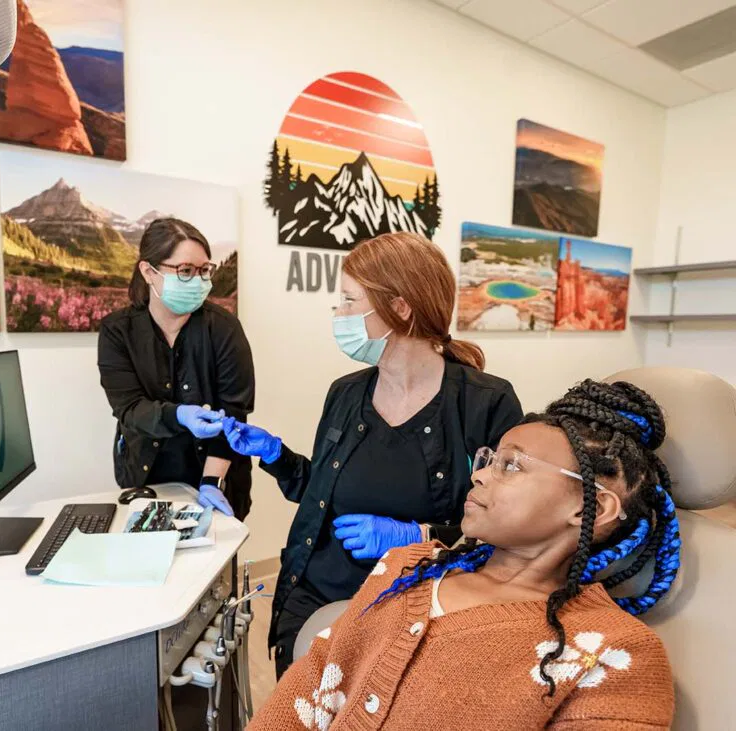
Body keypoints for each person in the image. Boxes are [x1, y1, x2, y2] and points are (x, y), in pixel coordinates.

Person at [249, 379, 679, 730]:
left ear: (591, 507)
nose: (479, 476)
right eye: (489, 459)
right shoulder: (406, 568)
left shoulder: (612, 652)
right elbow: (308, 686)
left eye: (512, 465)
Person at [223, 232, 523, 678]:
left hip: (419, 604)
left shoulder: (485, 403)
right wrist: (274, 455)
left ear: (399, 308)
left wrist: (421, 535)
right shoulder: (345, 394)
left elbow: (513, 526)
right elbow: (323, 497)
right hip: (316, 592)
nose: (338, 315)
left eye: (348, 301)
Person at [97, 218, 255, 519]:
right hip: (146, 478)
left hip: (215, 474)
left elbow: (234, 414)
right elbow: (128, 408)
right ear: (148, 271)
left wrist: (211, 483)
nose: (198, 281)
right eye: (185, 271)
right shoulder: (118, 332)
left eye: (204, 270)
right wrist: (179, 415)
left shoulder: (223, 329)